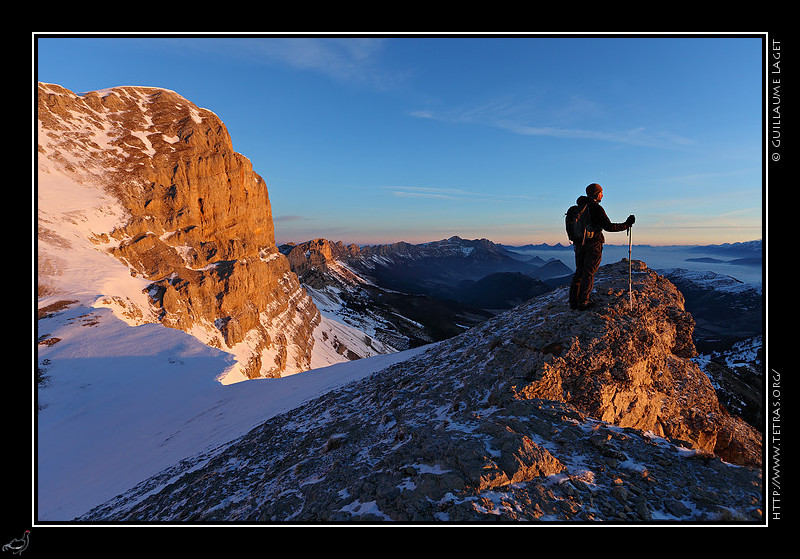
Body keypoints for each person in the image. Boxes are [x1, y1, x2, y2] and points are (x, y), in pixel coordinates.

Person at [569, 183, 635, 310]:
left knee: (579, 271)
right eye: (601, 192)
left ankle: (574, 301)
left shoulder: (579, 207)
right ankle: (584, 302)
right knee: (589, 272)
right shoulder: (596, 208)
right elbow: (609, 227)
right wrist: (627, 224)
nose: (602, 195)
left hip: (579, 244)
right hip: (593, 244)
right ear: (596, 194)